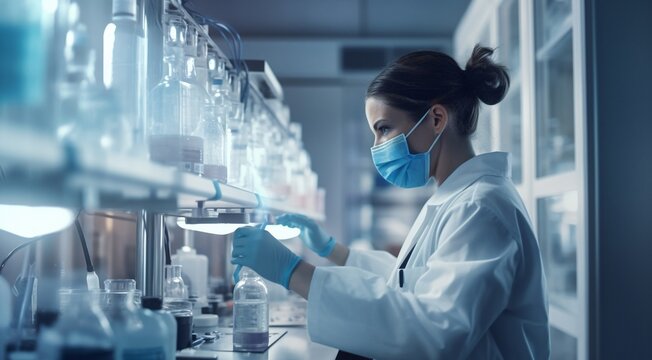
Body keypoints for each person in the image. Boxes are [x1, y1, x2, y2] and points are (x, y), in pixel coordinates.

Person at [231, 45, 550, 359]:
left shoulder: (480, 208)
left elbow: (434, 331)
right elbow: (411, 282)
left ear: (437, 118)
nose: (377, 146)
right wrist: (332, 249)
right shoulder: (456, 198)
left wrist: (293, 271)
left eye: (384, 129)